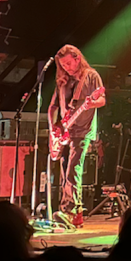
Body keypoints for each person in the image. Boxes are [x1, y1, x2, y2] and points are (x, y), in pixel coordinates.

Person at [48, 44, 105, 226]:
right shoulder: (62, 81)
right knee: (66, 170)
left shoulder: (91, 76)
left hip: (84, 129)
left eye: (68, 63)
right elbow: (52, 107)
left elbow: (102, 100)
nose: (66, 68)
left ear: (77, 58)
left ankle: (69, 210)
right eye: (63, 65)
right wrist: (53, 128)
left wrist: (90, 104)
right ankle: (77, 214)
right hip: (66, 130)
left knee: (74, 168)